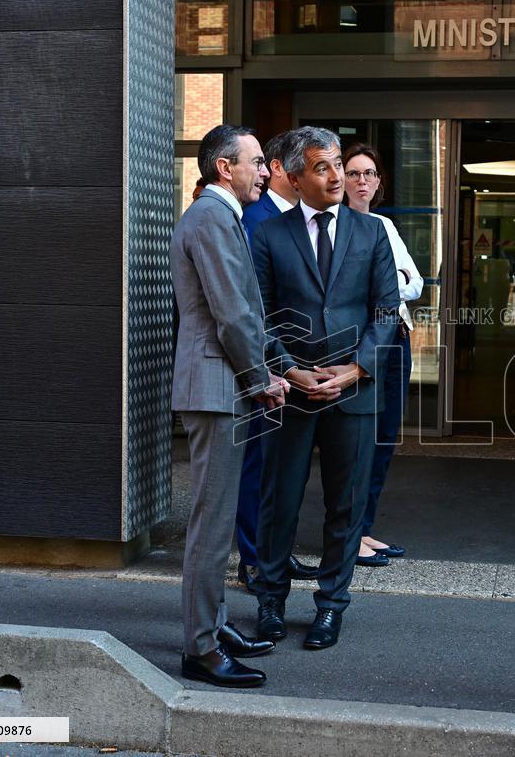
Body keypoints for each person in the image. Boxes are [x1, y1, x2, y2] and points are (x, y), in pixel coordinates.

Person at [250, 126, 400, 650]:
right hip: (290, 392)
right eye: (323, 167)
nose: (338, 175)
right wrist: (290, 370)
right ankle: (270, 602)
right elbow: (260, 314)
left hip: (355, 391)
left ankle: (331, 606)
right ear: (294, 177)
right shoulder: (269, 235)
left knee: (346, 505)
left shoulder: (373, 232)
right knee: (279, 502)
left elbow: (386, 310)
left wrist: (356, 371)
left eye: (339, 164)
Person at [171, 125, 289, 688]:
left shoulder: (221, 216)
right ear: (225, 167)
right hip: (217, 388)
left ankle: (213, 627)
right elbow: (232, 314)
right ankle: (200, 648)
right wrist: (261, 377)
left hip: (222, 386)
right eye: (258, 162)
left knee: (214, 520)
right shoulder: (212, 218)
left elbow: (245, 309)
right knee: (212, 524)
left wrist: (271, 368)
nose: (265, 171)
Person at [234, 130, 319, 592]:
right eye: (310, 167)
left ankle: (276, 555)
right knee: (258, 464)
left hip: (296, 362)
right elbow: (252, 301)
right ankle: (254, 559)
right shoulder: (255, 219)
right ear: (289, 172)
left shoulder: (298, 219)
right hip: (267, 360)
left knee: (281, 468)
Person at [342, 143, 422, 567]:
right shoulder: (338, 228)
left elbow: (416, 283)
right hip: (367, 342)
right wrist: (392, 281)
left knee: (386, 437)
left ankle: (364, 528)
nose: (362, 181)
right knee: (360, 441)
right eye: (353, 173)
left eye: (369, 174)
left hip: (398, 340)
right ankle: (348, 536)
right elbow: (374, 288)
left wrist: (391, 281)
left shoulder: (383, 226)